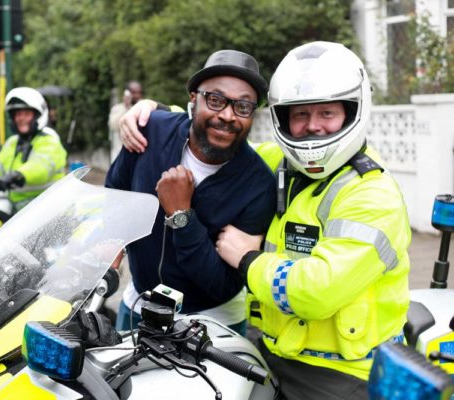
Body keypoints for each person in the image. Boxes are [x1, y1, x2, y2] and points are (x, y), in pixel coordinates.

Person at [119, 41, 411, 400]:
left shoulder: (373, 195)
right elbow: (220, 133)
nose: (312, 127)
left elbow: (318, 292)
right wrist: (152, 112)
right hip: (270, 352)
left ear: (352, 113)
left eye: (327, 114)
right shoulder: (278, 163)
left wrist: (247, 259)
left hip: (341, 372)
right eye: (300, 115)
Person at [106, 50, 276, 335]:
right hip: (136, 305)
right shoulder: (151, 132)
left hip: (211, 323)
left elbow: (223, 284)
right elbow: (116, 192)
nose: (227, 115)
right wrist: (112, 243)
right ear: (193, 99)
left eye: (243, 106)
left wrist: (182, 216)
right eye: (216, 100)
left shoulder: (258, 185)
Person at [0, 87, 68, 211]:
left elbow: (40, 167)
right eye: (18, 114)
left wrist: (15, 177)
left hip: (47, 209)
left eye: (26, 114)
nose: (21, 118)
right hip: (19, 209)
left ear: (38, 115)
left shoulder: (49, 140)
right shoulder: (13, 142)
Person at [108, 80, 143, 162]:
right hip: (120, 154)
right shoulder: (117, 109)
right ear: (127, 92)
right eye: (134, 92)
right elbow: (113, 125)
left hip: (139, 155)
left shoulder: (144, 108)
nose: (137, 95)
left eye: (139, 93)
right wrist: (126, 107)